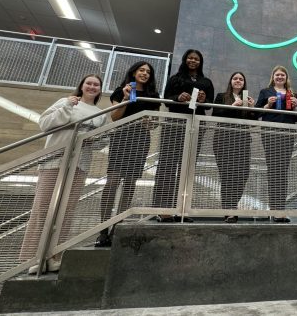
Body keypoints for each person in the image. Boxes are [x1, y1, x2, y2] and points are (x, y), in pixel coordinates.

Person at [21, 74, 109, 273]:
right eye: (89, 83)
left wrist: (93, 139)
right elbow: (45, 124)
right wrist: (68, 106)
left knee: (65, 212)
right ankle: (34, 258)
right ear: (82, 85)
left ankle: (55, 255)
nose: (92, 86)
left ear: (100, 89)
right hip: (54, 161)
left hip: (79, 165)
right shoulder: (65, 102)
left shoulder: (100, 113)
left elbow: (103, 140)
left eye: (96, 84)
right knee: (42, 209)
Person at [96, 62, 160, 247]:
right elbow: (115, 117)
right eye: (142, 70)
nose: (145, 74)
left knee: (130, 182)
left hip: (141, 140)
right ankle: (103, 229)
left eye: (148, 72)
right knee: (113, 180)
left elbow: (154, 123)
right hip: (121, 137)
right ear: (133, 72)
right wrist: (125, 98)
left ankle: (118, 227)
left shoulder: (153, 96)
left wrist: (151, 123)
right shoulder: (121, 90)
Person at [154, 49, 214, 222]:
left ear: (200, 62)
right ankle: (163, 209)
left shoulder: (206, 81)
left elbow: (209, 105)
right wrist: (178, 97)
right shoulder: (175, 78)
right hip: (175, 125)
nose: (193, 61)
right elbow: (166, 99)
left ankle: (182, 210)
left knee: (187, 169)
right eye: (190, 58)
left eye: (196, 59)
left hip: (196, 126)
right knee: (167, 166)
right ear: (185, 60)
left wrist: (203, 100)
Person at [255, 66, 297, 223]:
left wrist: (295, 105)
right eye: (277, 75)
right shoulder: (265, 92)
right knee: (273, 169)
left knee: (283, 171)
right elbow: (256, 112)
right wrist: (267, 105)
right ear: (272, 77)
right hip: (270, 134)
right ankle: (274, 209)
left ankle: (280, 210)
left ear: (286, 78)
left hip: (287, 134)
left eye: (282, 75)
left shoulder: (292, 94)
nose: (280, 77)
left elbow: (296, 119)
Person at [212, 72, 257, 223]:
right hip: (223, 141)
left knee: (243, 174)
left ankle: (231, 205)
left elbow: (253, 120)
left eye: (241, 79)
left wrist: (252, 108)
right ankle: (230, 210)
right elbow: (215, 114)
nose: (238, 81)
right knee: (227, 177)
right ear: (230, 81)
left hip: (243, 141)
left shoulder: (246, 98)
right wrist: (232, 106)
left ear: (244, 83)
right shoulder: (221, 96)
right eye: (235, 78)